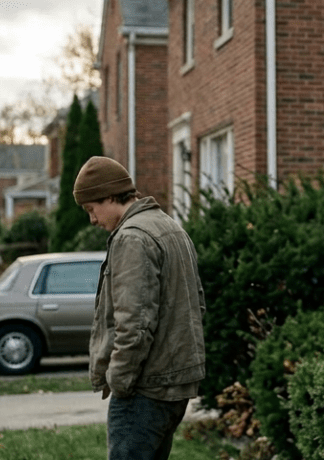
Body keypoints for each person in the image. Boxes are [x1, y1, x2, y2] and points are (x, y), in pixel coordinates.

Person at [73, 156, 207, 460]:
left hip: (146, 387)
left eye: (91, 209)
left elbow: (134, 324)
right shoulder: (170, 227)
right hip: (174, 382)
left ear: (110, 196)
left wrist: (118, 380)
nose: (92, 220)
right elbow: (197, 303)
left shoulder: (133, 237)